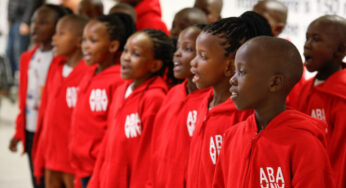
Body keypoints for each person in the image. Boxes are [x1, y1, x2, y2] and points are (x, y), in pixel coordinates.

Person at [213, 36, 335, 187]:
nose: (232, 79)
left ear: (275, 82)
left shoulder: (305, 143)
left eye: (242, 72)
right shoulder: (232, 136)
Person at [186, 11, 273, 188]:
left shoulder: (246, 114)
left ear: (230, 66)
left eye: (203, 56)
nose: (193, 63)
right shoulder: (204, 103)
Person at [87, 29, 172, 188]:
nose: (125, 57)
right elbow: (108, 143)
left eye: (136, 54)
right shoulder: (122, 90)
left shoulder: (154, 99)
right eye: (126, 50)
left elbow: (149, 156)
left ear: (155, 65)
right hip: (108, 179)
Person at [69, 13, 136, 188]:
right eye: (84, 40)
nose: (85, 46)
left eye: (93, 41)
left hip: (100, 166)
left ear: (113, 45)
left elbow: (113, 127)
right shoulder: (89, 73)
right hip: (82, 164)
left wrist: (99, 157)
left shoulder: (118, 80)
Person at [8, 4, 71, 188]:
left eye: (43, 23)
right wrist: (19, 130)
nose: (35, 26)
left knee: (50, 179)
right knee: (35, 178)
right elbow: (24, 100)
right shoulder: (27, 58)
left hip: (51, 133)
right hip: (30, 130)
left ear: (58, 27)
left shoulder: (60, 59)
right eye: (34, 21)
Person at [147, 25, 209, 188]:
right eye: (177, 48)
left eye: (187, 49)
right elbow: (156, 149)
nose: (177, 54)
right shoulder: (173, 94)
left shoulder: (211, 102)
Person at [32, 15, 89, 188]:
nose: (54, 38)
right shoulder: (55, 68)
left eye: (61, 34)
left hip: (74, 163)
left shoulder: (89, 73)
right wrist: (40, 155)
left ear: (79, 42)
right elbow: (46, 117)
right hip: (51, 158)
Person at [297, 15, 346, 188]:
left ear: (339, 50)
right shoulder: (305, 89)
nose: (307, 44)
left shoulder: (342, 96)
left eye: (316, 39)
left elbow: (341, 156)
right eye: (307, 37)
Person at [6, 0, 44, 77]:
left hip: (23, 21)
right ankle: (11, 80)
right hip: (14, 20)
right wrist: (10, 18)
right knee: (9, 53)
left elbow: (32, 3)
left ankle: (20, 79)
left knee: (19, 54)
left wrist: (26, 21)